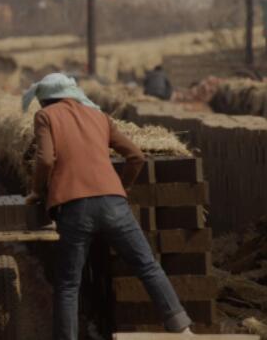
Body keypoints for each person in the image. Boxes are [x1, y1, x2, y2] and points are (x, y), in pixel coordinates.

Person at [23, 73, 192, 340]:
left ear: (45, 100)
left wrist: (37, 190)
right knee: (147, 266)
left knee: (68, 284)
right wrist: (121, 189)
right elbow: (136, 156)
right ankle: (182, 328)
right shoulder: (99, 116)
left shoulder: (46, 116)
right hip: (114, 203)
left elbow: (45, 160)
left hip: (73, 206)